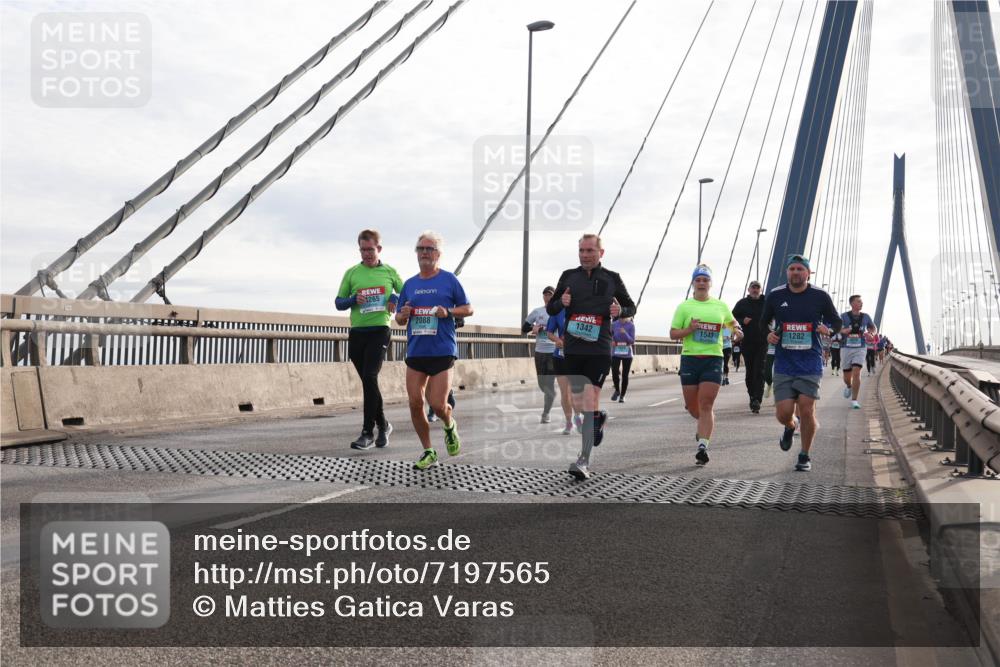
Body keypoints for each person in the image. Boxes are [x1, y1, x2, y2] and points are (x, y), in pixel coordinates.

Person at [547, 233, 636, 481]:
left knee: (587, 402)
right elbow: (551, 308)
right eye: (582, 251)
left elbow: (631, 306)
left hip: (599, 348)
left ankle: (583, 460)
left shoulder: (612, 278)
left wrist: (621, 311)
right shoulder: (568, 276)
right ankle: (599, 417)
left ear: (601, 253)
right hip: (573, 347)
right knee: (578, 403)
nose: (585, 255)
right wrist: (561, 303)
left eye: (590, 251)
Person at [395, 231, 473, 471]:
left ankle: (449, 424)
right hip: (417, 351)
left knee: (438, 405)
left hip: (442, 350)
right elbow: (398, 318)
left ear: (438, 254)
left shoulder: (449, 280)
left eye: (429, 249)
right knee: (414, 402)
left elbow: (468, 309)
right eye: (420, 249)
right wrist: (403, 314)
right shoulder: (409, 284)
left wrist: (447, 312)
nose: (424, 253)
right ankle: (428, 450)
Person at [760, 254, 841, 472]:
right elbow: (763, 322)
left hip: (810, 362)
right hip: (785, 363)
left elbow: (836, 321)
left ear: (808, 273)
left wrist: (829, 330)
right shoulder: (776, 295)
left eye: (800, 269)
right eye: (792, 269)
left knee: (807, 409)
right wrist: (769, 334)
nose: (796, 272)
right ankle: (789, 426)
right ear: (787, 272)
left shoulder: (820, 296)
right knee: (784, 413)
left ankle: (804, 455)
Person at [336, 229, 403, 450]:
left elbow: (408, 295)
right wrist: (354, 298)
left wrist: (395, 296)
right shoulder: (352, 273)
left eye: (370, 249)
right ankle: (383, 425)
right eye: (363, 250)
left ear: (379, 249)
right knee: (368, 381)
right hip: (357, 333)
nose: (366, 254)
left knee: (369, 375)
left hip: (380, 331)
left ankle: (368, 432)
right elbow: (338, 302)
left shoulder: (390, 272)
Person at [670, 264, 742, 465]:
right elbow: (673, 333)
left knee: (706, 404)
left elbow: (731, 322)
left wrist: (737, 329)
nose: (701, 283)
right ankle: (702, 426)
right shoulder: (684, 307)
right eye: (698, 280)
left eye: (705, 280)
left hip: (713, 358)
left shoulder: (720, 305)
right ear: (693, 283)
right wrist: (689, 329)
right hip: (690, 359)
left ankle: (703, 445)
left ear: (710, 283)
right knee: (694, 408)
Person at [732, 280, 768, 413]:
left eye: (757, 288)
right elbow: (731, 318)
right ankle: (752, 396)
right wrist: (742, 321)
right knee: (750, 371)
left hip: (763, 342)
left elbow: (776, 314)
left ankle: (757, 400)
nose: (755, 290)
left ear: (761, 289)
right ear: (749, 289)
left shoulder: (766, 302)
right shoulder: (742, 303)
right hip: (747, 342)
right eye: (753, 287)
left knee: (760, 370)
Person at [522, 287, 558, 422]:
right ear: (543, 297)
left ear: (554, 297)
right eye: (545, 295)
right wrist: (533, 328)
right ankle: (551, 395)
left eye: (550, 295)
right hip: (540, 351)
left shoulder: (559, 312)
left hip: (553, 351)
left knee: (549, 383)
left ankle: (546, 413)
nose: (548, 297)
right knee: (542, 384)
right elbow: (524, 328)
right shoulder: (538, 312)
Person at [546, 307, 580, 435]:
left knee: (575, 392)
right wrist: (557, 340)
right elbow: (549, 333)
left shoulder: (582, 310)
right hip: (560, 356)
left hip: (577, 357)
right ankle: (568, 422)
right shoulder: (557, 312)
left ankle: (577, 417)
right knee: (565, 393)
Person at [839, 295, 875, 410]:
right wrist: (844, 330)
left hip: (861, 347)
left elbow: (873, 327)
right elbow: (837, 328)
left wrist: (871, 334)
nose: (861, 303)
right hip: (846, 347)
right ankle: (849, 385)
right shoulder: (844, 316)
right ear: (852, 303)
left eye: (861, 301)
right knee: (847, 376)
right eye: (859, 301)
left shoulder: (866, 317)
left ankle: (854, 400)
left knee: (856, 372)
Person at [610, 316, 635, 402]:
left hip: (627, 353)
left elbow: (632, 341)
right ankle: (617, 390)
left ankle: (622, 396)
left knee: (625, 375)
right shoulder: (613, 324)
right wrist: (612, 340)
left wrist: (625, 333)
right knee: (615, 372)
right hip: (616, 352)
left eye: (625, 317)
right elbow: (609, 335)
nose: (623, 318)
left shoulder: (631, 325)